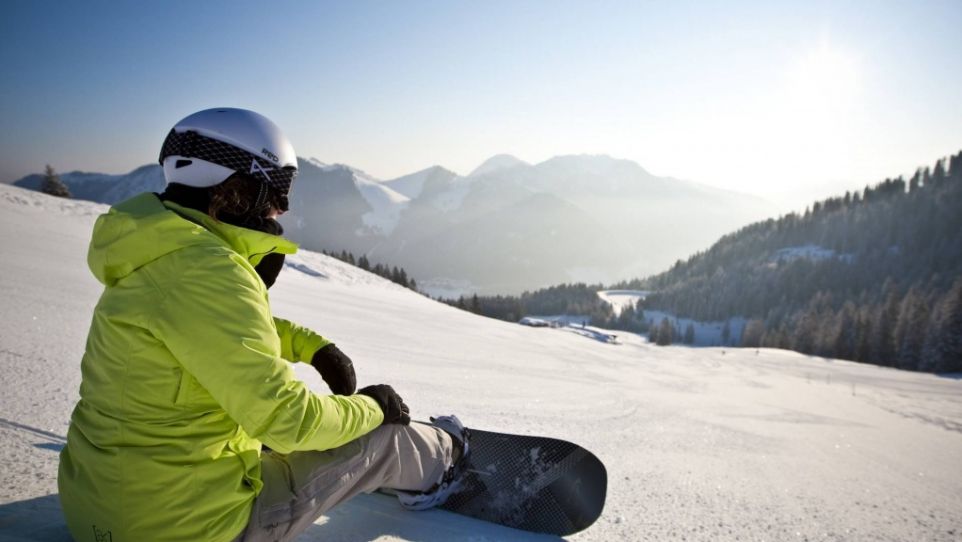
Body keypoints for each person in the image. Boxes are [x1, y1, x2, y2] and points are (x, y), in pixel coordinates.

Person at [58, 108, 470, 542]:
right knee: (380, 438)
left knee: (268, 431)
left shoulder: (155, 251)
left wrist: (309, 346)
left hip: (98, 512)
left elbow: (206, 334)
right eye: (278, 187)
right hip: (194, 529)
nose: (282, 206)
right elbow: (289, 421)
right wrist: (374, 407)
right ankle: (446, 462)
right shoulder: (211, 273)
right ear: (238, 188)